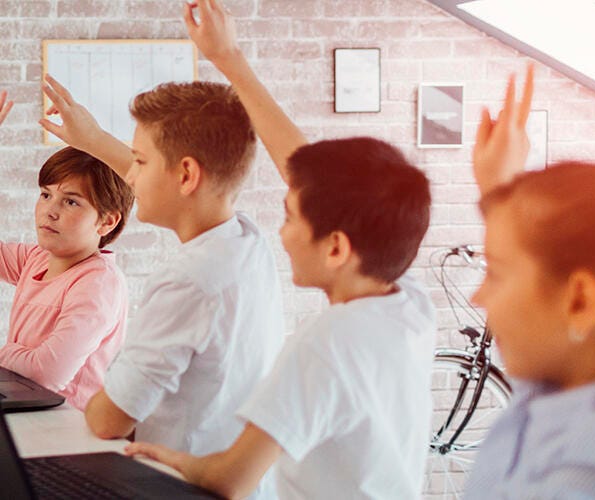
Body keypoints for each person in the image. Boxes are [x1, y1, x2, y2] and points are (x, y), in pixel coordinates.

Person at [125, 2, 436, 499]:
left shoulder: (325, 344)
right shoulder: (408, 305)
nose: (283, 232)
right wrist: (229, 61)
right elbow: (316, 178)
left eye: (291, 217)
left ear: (336, 246)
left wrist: (171, 460)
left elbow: (231, 477)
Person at [40, 74, 285, 498]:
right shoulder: (245, 239)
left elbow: (106, 420)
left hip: (177, 487)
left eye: (141, 161)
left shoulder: (188, 282)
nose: (130, 178)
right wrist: (93, 139)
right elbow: (182, 191)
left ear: (187, 174)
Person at [466, 67, 595, 498]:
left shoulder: (593, 479)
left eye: (496, 273)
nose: (478, 296)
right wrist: (497, 184)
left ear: (580, 301)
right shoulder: (578, 380)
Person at [0, 91, 133, 411]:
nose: (50, 211)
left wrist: (4, 353)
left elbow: (46, 374)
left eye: (71, 201)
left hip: (63, 432)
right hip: (27, 419)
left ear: (107, 221)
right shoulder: (36, 259)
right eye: (46, 195)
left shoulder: (97, 284)